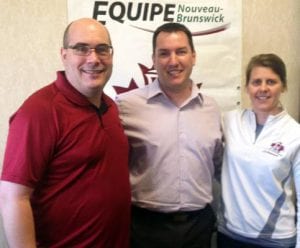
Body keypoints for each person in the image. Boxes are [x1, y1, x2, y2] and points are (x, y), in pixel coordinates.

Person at [0, 18, 131, 248]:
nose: (94, 58)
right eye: (81, 48)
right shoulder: (39, 111)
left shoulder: (110, 107)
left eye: (102, 49)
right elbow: (13, 198)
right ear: (64, 55)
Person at [116, 22, 223, 248]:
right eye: (164, 53)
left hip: (199, 227)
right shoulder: (126, 106)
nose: (173, 61)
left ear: (193, 56)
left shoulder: (212, 108)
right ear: (153, 59)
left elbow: (221, 166)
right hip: (145, 228)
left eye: (181, 51)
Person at [217, 53, 300, 248]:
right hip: (229, 235)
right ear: (247, 87)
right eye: (256, 82)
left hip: (274, 240)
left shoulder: (295, 134)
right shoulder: (229, 120)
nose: (263, 88)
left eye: (271, 81)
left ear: (284, 86)